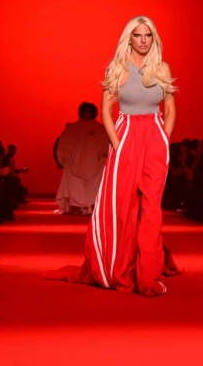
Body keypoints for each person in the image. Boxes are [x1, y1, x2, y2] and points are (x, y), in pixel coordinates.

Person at [44, 16, 181, 297]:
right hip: (126, 135)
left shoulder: (162, 68)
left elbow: (170, 108)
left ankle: (148, 275)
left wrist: (163, 139)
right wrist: (118, 145)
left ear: (153, 38)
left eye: (148, 35)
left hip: (154, 137)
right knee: (123, 207)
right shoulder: (117, 68)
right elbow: (106, 111)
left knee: (152, 210)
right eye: (137, 35)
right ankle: (119, 268)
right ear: (129, 38)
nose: (143, 40)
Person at [54, 103, 109, 215]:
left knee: (92, 185)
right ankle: (80, 206)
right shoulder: (74, 128)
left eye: (89, 111)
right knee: (76, 185)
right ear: (82, 112)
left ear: (93, 113)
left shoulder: (99, 129)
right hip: (76, 162)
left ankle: (89, 206)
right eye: (85, 111)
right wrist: (65, 157)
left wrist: (104, 155)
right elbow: (65, 143)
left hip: (93, 162)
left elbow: (104, 143)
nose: (87, 114)